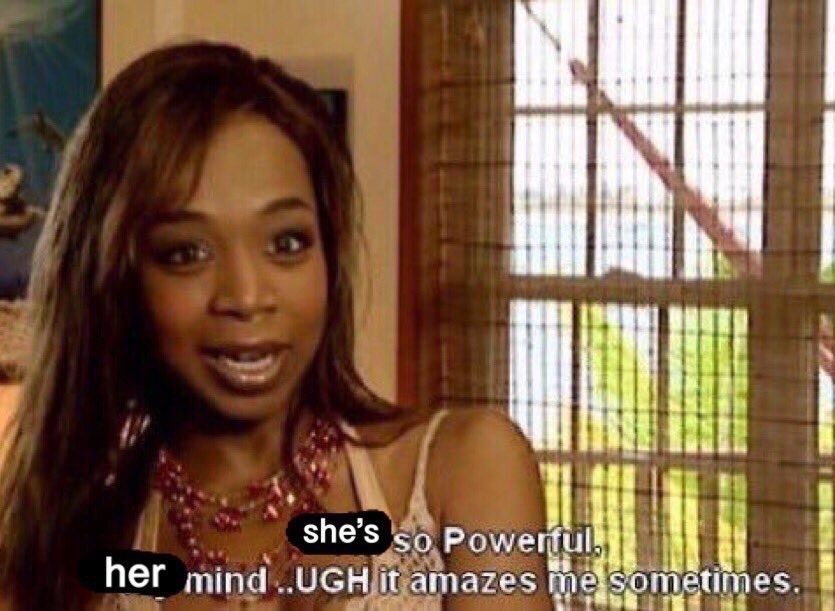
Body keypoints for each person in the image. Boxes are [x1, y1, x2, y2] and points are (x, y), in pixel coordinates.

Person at [0, 42, 551, 610]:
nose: (246, 297)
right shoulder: (69, 543)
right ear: (114, 278)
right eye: (187, 253)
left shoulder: (464, 472)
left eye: (286, 243)